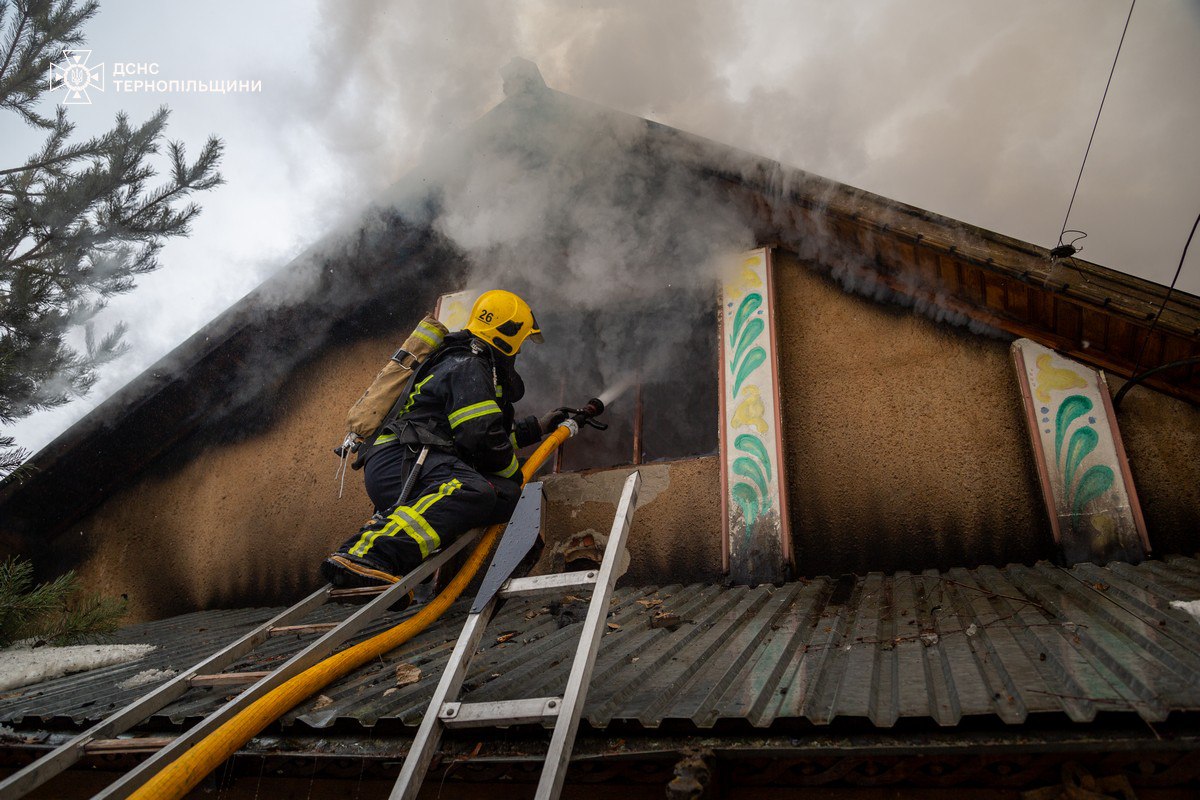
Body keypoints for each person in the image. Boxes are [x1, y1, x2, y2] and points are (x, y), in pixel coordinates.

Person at [321, 290, 562, 590]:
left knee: (503, 495)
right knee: (477, 489)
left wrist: (536, 428)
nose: (521, 351)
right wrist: (515, 472)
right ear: (507, 334)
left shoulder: (467, 365)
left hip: (413, 463)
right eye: (521, 341)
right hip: (403, 459)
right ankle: (368, 553)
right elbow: (481, 436)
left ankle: (384, 568)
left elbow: (478, 437)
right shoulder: (468, 365)